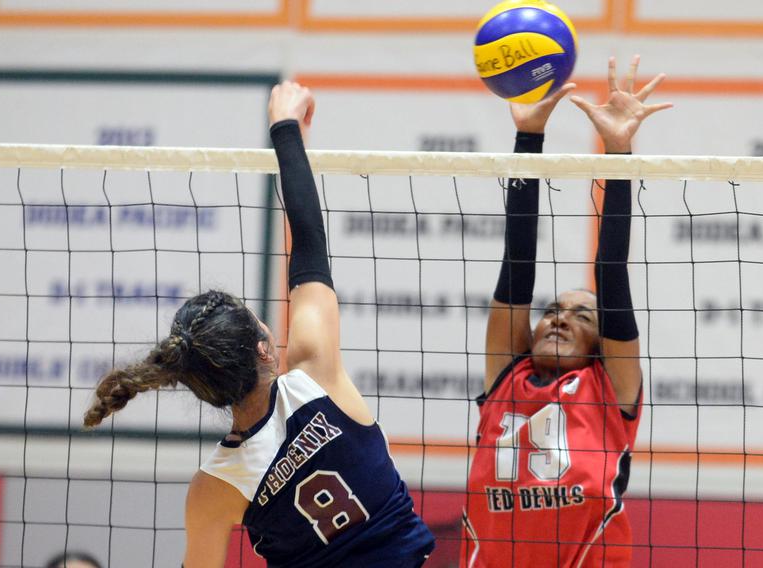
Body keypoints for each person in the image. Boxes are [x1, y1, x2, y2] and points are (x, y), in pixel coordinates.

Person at [83, 81, 435, 568]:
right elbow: (309, 239)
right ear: (264, 347)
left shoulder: (213, 487)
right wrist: (285, 129)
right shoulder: (314, 378)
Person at [460, 56, 672, 567]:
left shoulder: (610, 391)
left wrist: (617, 151)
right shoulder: (508, 374)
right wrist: (529, 138)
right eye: (553, 310)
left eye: (582, 316)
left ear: (602, 345)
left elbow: (611, 267)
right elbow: (517, 262)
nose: (558, 317)